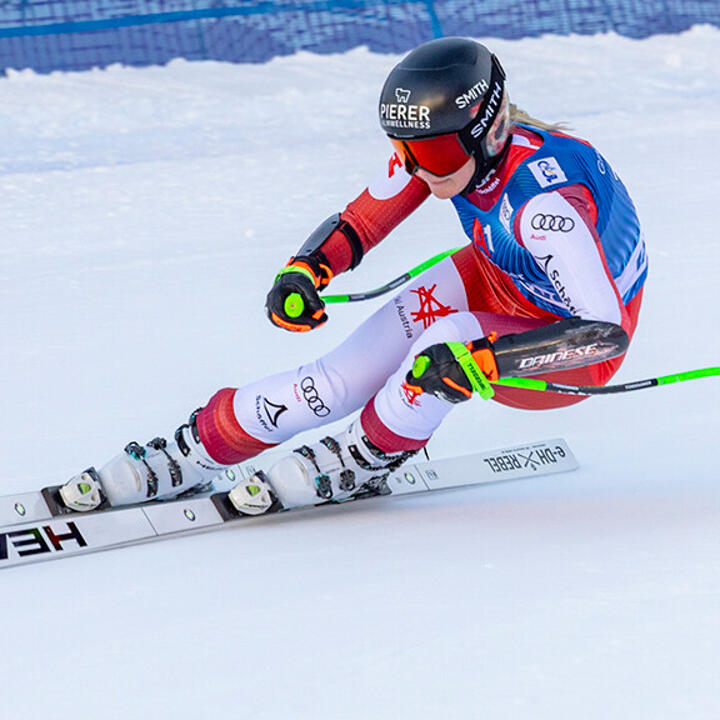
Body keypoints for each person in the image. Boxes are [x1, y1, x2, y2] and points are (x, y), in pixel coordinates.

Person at [60, 36, 647, 515]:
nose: (418, 169)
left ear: (489, 132)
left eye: (434, 157)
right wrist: (307, 270)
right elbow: (365, 217)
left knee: (441, 354)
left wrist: (486, 361)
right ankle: (200, 447)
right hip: (502, 277)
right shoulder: (451, 153)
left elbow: (603, 335)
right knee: (339, 376)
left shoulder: (545, 209)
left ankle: (368, 451)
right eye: (406, 149)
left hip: (567, 348)